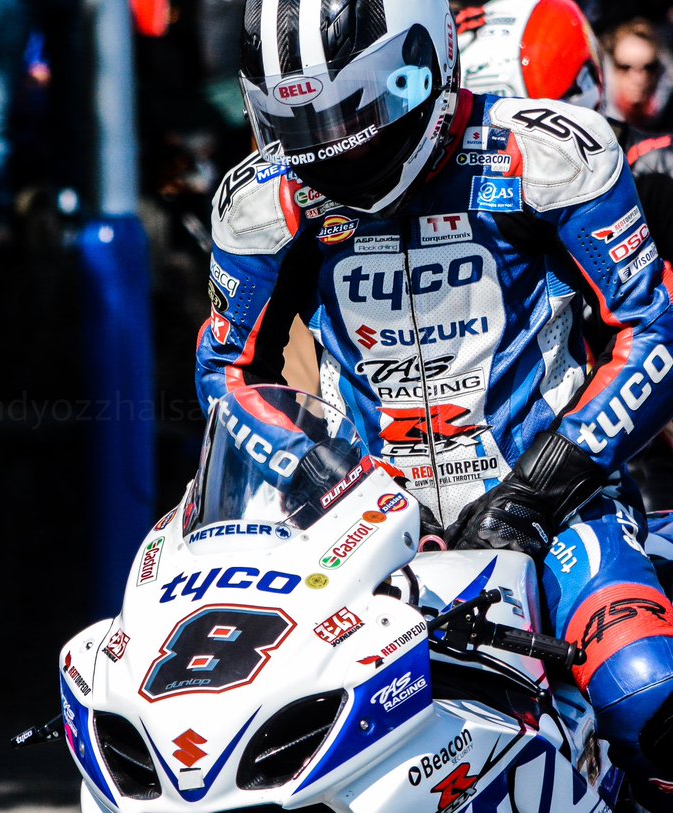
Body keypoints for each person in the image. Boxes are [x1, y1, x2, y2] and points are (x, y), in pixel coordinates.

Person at [198, 0, 673, 805]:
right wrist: (321, 475)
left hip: (559, 514)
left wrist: (535, 490)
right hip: (364, 539)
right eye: (298, 120)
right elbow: (227, 375)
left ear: (424, 63)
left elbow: (651, 332)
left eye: (351, 111)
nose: (325, 143)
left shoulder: (549, 152)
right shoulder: (260, 203)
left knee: (644, 686)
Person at [458, 0, 673, 512]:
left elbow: (661, 330)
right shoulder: (458, 193)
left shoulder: (653, 176)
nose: (516, 150)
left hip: (625, 447)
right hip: (500, 470)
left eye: (532, 119)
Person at [603, 17, 672, 130]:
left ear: (660, 72)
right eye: (625, 67)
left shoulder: (669, 120)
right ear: (611, 70)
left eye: (649, 68)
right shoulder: (595, 123)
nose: (638, 78)